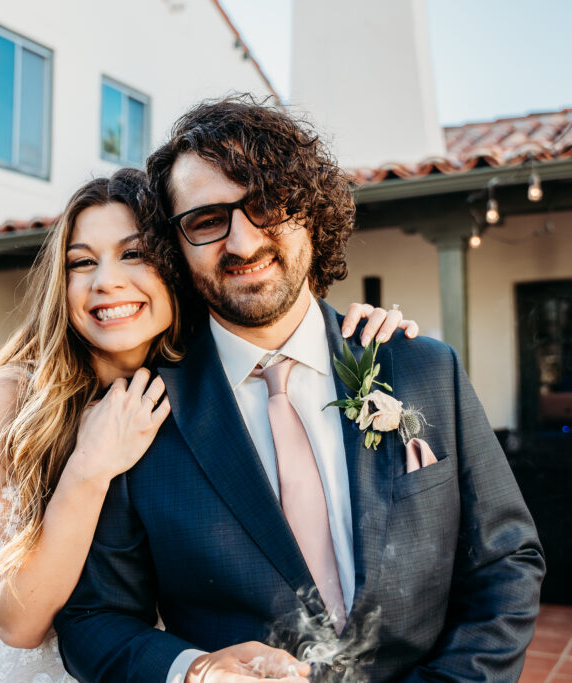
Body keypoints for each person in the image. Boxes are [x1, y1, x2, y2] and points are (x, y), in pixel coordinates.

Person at [55, 97, 546, 682]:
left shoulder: (423, 369)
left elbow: (506, 560)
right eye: (207, 221)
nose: (241, 243)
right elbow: (92, 619)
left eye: (266, 203)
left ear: (311, 210)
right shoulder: (138, 416)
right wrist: (194, 671)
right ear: (174, 249)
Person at [0, 168, 415, 682]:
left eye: (133, 254)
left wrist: (352, 335)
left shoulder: (203, 381)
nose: (105, 280)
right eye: (82, 262)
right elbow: (17, 623)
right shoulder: (15, 398)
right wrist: (89, 465)